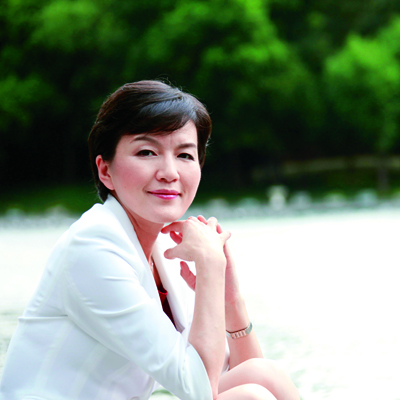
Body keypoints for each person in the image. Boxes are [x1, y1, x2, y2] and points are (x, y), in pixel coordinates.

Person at [0, 80, 300, 400]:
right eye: (147, 152)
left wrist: (230, 301)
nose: (169, 172)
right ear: (105, 171)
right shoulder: (93, 248)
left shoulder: (163, 247)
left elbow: (231, 373)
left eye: (185, 155)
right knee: (252, 397)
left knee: (266, 376)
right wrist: (210, 264)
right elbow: (199, 387)